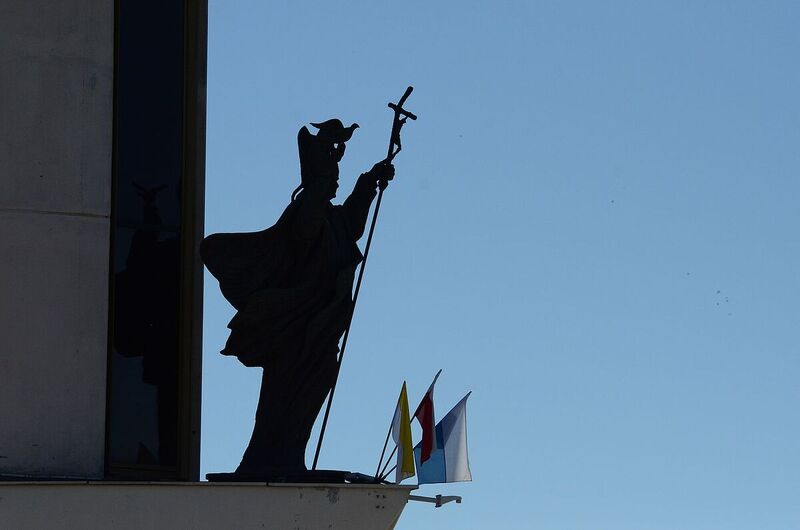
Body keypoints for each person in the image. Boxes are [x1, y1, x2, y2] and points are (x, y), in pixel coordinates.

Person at [201, 119, 394, 477]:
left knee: (312, 388)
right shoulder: (306, 211)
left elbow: (350, 223)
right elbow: (306, 236)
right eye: (332, 176)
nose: (336, 181)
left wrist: (368, 183)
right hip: (296, 328)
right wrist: (323, 187)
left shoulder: (329, 216)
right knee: (284, 396)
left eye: (336, 176)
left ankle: (290, 458)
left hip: (319, 329)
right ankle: (265, 461)